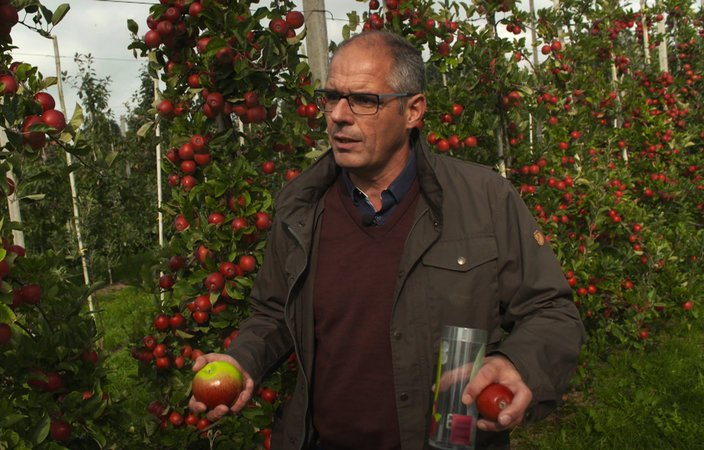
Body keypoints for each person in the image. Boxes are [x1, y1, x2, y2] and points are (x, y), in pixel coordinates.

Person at [189, 30, 585, 450]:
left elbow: (551, 310)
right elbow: (273, 312)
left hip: (449, 442)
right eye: (331, 97)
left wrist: (516, 363)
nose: (339, 115)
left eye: (364, 100)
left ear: (413, 110)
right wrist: (243, 359)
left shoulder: (484, 200)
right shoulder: (300, 207)